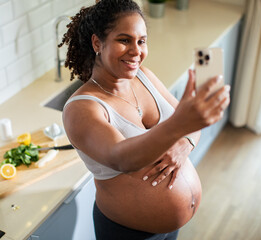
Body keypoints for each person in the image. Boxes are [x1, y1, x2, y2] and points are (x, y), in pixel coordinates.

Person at [59, 0, 230, 239]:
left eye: (141, 41)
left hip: (172, 226)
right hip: (127, 232)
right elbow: (122, 158)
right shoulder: (82, 108)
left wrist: (185, 143)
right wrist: (180, 126)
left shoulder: (144, 76)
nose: (136, 51)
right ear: (97, 42)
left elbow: (191, 127)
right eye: (124, 40)